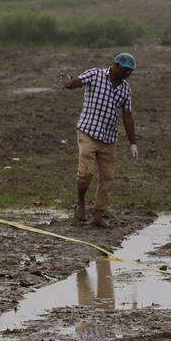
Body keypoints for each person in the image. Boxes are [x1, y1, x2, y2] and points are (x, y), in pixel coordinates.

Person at [64, 52, 138, 228]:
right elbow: (78, 82)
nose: (128, 74)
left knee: (107, 178)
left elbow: (127, 116)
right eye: (126, 70)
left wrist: (133, 142)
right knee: (86, 173)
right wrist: (69, 83)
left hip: (109, 138)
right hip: (87, 132)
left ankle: (98, 213)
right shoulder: (95, 74)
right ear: (116, 66)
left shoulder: (126, 89)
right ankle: (81, 202)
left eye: (131, 71)